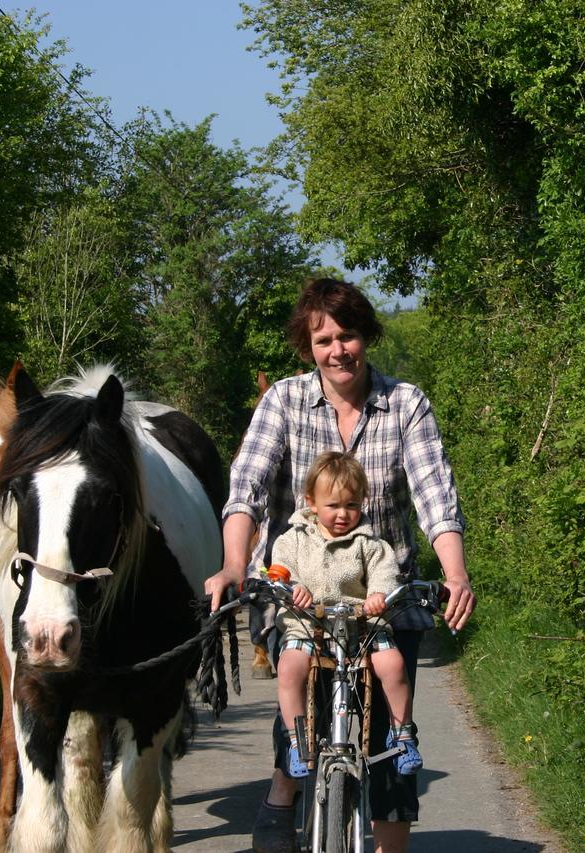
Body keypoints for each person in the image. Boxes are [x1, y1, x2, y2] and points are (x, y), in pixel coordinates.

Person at [204, 277, 476, 853]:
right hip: (299, 594)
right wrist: (233, 565)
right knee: (297, 699)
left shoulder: (405, 403)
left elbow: (434, 496)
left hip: (380, 597)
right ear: (308, 348)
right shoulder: (282, 400)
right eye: (323, 339)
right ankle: (285, 792)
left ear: (365, 336)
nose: (338, 350)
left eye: (347, 335)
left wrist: (455, 574)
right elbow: (247, 487)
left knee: (387, 732)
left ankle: (389, 842)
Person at [273, 450, 421, 778]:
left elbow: (385, 571)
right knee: (289, 668)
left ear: (362, 504)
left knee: (393, 664)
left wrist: (378, 595)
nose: (343, 514)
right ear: (311, 502)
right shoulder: (294, 539)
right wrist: (292, 586)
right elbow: (280, 569)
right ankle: (296, 741)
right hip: (308, 622)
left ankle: (403, 733)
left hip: (361, 624)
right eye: (333, 506)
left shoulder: (370, 544)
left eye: (351, 506)